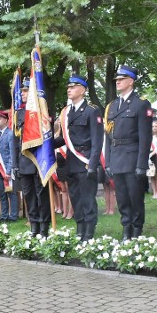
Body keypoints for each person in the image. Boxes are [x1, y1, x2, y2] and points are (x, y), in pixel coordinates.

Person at [105, 65, 153, 240]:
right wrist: (108, 162)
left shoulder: (141, 104)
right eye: (116, 79)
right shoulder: (112, 106)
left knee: (135, 197)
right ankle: (126, 228)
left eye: (121, 79)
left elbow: (145, 137)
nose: (117, 82)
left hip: (133, 158)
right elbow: (108, 136)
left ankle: (136, 229)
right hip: (117, 157)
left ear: (131, 81)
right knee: (123, 198)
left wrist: (141, 164)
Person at [54, 74, 103, 241]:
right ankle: (80, 227)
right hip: (71, 162)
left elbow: (97, 141)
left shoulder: (91, 111)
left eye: (73, 87)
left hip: (85, 160)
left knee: (87, 197)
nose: (69, 90)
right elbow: (64, 139)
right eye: (68, 87)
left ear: (82, 90)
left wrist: (93, 164)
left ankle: (89, 230)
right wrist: (47, 142)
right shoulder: (67, 113)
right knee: (75, 197)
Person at [14, 77, 51, 236]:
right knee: (29, 196)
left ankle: (44, 227)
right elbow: (16, 141)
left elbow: (47, 140)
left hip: (38, 161)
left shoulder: (42, 112)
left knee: (41, 196)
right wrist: (15, 165)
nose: (22, 93)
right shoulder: (19, 113)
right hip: (24, 162)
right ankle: (34, 225)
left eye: (26, 90)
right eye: (22, 91)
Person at [0, 110, 18, 222]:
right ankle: (4, 215)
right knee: (2, 194)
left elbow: (12, 153)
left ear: (6, 120)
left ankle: (13, 216)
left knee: (11, 193)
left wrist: (9, 170)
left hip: (7, 168)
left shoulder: (10, 134)